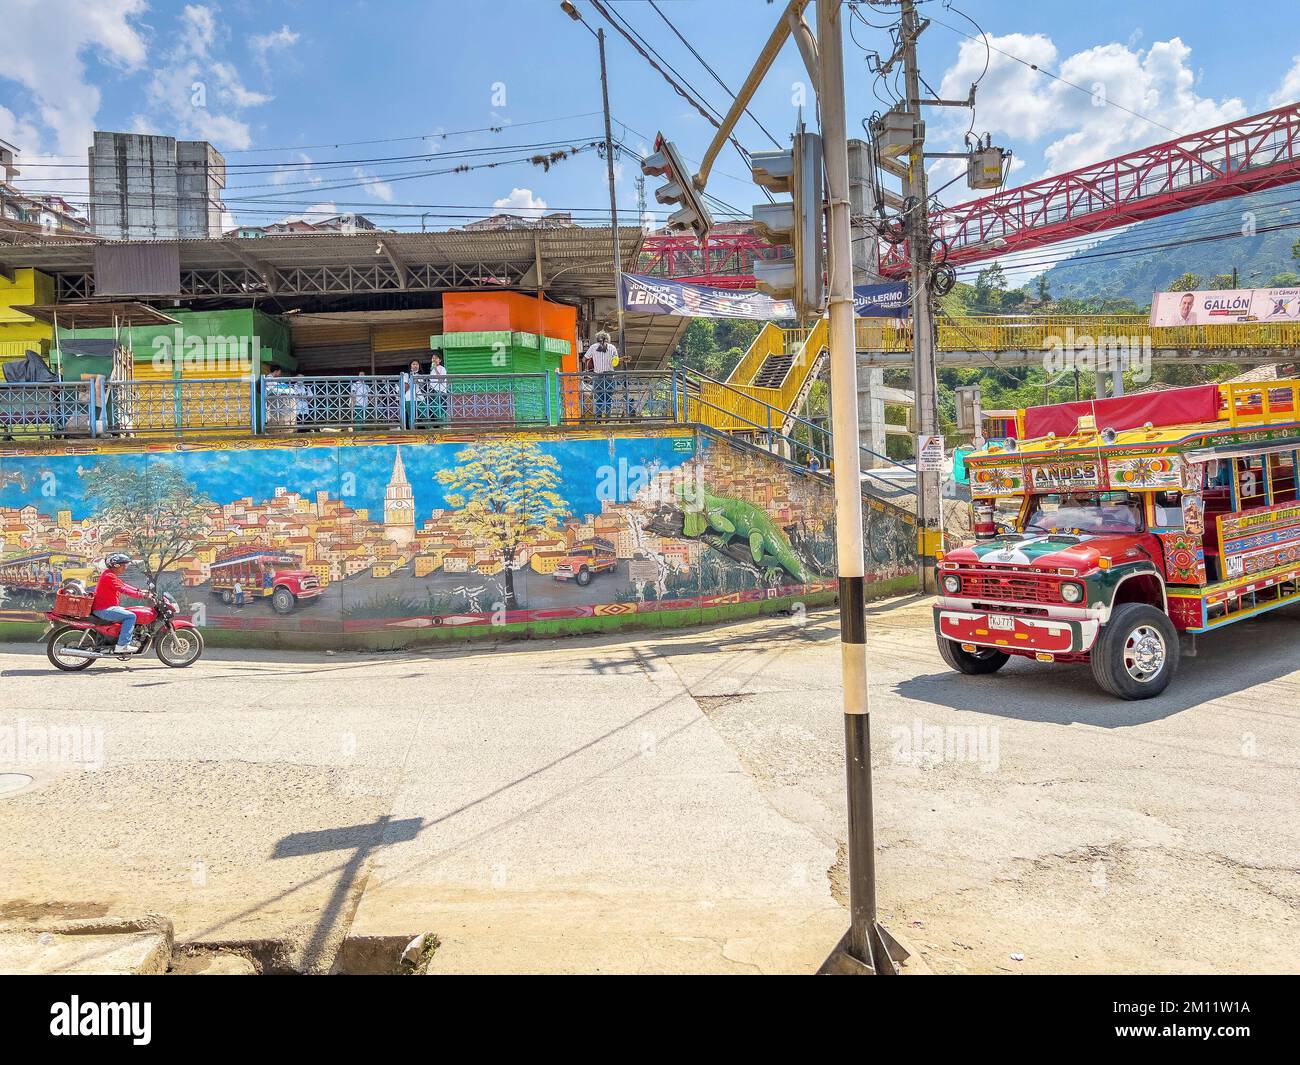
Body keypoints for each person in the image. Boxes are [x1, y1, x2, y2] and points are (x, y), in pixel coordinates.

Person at [91, 553, 148, 656]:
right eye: (124, 565)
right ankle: (123, 645)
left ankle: (119, 639)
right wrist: (142, 595)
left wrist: (141, 591)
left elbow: (124, 585)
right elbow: (123, 589)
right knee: (131, 616)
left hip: (105, 607)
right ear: (117, 565)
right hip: (103, 609)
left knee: (128, 612)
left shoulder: (110, 574)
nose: (125, 568)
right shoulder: (109, 576)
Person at [587, 330, 618, 420]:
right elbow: (615, 362)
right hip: (609, 376)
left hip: (597, 377)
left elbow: (585, 358)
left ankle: (598, 418)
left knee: (599, 398)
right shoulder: (612, 347)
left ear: (597, 338)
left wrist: (588, 369)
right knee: (608, 398)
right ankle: (608, 418)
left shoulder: (593, 347)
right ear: (608, 339)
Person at [429, 353, 449, 424]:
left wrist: (435, 369)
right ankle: (439, 424)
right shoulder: (432, 370)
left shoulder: (442, 368)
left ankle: (443, 424)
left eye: (436, 358)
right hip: (433, 391)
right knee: (434, 408)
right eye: (432, 358)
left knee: (440, 408)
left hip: (440, 391)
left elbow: (441, 380)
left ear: (440, 360)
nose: (434, 359)